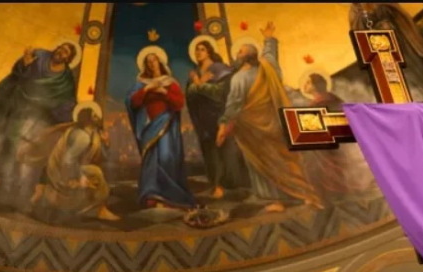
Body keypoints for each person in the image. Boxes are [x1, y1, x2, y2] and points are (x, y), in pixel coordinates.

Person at [216, 22, 323, 213]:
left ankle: (276, 200)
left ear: (245, 57)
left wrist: (223, 125)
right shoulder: (267, 68)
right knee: (284, 159)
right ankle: (304, 193)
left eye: (240, 52)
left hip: (253, 128)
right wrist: (268, 39)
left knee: (263, 163)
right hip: (274, 122)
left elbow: (233, 105)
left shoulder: (239, 78)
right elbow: (270, 56)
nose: (236, 55)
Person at [0, 42, 78, 206]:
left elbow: (66, 104)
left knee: (18, 150)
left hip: (35, 117)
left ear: (69, 59)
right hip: (14, 104)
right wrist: (24, 63)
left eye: (65, 52)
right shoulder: (40, 56)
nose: (60, 52)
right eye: (60, 48)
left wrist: (67, 120)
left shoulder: (66, 80)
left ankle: (6, 192)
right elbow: (18, 73)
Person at [126, 49, 195, 209]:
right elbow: (132, 102)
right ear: (145, 65)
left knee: (166, 156)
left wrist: (163, 91)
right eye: (148, 61)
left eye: (154, 60)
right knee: (151, 159)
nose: (151, 63)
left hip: (167, 125)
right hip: (148, 126)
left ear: (160, 62)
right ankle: (151, 193)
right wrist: (147, 89)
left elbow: (179, 103)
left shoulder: (169, 82)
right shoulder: (141, 83)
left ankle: (170, 194)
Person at [28, 105, 118, 221]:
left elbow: (101, 157)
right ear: (87, 118)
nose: (98, 118)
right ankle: (99, 209)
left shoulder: (93, 134)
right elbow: (68, 160)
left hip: (71, 167)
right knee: (96, 173)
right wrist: (79, 177)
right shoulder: (82, 137)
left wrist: (106, 143)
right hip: (63, 169)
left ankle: (94, 208)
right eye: (95, 116)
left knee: (95, 174)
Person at [186, 38, 250, 199]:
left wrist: (199, 85)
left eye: (202, 49)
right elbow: (189, 95)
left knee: (226, 149)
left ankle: (233, 185)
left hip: (220, 114)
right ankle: (217, 184)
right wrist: (197, 84)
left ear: (209, 51)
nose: (198, 52)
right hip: (203, 117)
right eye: (196, 50)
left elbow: (222, 92)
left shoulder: (220, 69)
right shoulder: (195, 73)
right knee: (210, 151)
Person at [299, 72, 377, 199]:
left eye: (308, 82)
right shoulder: (328, 100)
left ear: (315, 85)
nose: (305, 85)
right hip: (331, 144)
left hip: (336, 143)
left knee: (336, 169)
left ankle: (346, 192)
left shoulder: (325, 102)